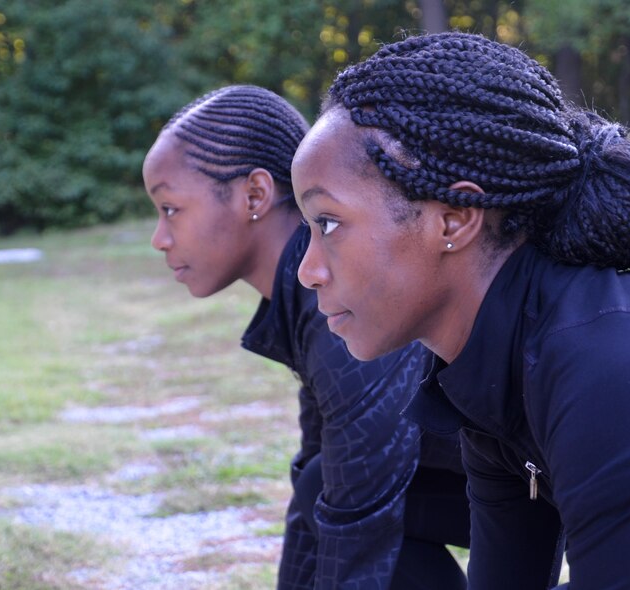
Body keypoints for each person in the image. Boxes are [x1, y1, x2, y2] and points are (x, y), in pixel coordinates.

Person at [292, 32, 630, 590]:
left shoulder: (611, 366)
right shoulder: (496, 367)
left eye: (329, 223)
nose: (307, 269)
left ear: (455, 220)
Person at [142, 85, 470, 589]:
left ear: (254, 194)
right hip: (501, 488)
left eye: (170, 209)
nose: (159, 239)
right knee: (322, 481)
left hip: (560, 492)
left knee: (352, 508)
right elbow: (321, 492)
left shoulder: (341, 298)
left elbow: (360, 520)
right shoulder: (303, 299)